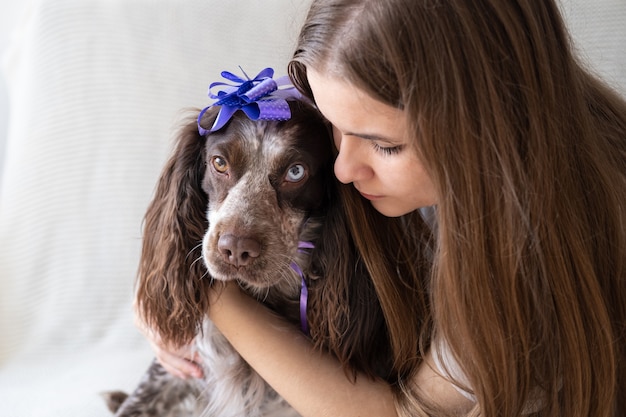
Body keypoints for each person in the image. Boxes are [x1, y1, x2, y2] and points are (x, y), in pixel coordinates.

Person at [139, 0, 626, 416]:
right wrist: (165, 289)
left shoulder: (523, 253)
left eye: (383, 145)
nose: (344, 168)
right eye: (334, 125)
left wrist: (211, 296)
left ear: (481, 131)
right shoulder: (469, 156)